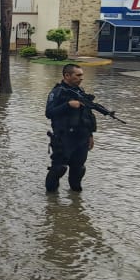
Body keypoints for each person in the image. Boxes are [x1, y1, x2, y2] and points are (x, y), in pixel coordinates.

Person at [45, 63, 96, 192]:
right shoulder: (57, 92)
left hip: (81, 138)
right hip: (64, 138)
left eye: (82, 75)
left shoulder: (81, 92)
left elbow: (87, 116)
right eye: (78, 75)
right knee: (59, 168)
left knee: (79, 169)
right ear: (67, 75)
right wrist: (67, 105)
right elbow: (49, 112)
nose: (81, 78)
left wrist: (90, 135)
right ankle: (51, 202)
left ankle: (76, 201)